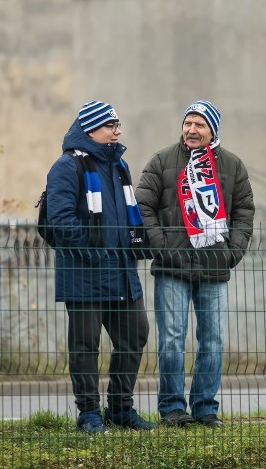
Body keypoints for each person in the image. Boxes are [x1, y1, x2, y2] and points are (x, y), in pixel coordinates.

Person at [136, 100, 254, 428]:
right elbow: (143, 207)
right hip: (172, 266)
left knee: (213, 340)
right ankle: (173, 408)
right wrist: (163, 248)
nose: (191, 129)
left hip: (214, 266)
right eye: (188, 123)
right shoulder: (161, 161)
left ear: (212, 130)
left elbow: (245, 211)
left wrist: (231, 253)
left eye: (199, 124)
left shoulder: (232, 166)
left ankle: (205, 408)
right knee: (173, 338)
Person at [46, 101, 154, 433]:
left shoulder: (119, 165)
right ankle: (89, 413)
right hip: (85, 274)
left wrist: (132, 247)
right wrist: (95, 252)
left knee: (136, 335)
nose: (118, 131)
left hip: (122, 272)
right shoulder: (66, 167)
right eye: (111, 125)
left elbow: (124, 216)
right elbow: (60, 221)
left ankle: (120, 408)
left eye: (118, 125)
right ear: (91, 129)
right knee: (85, 345)